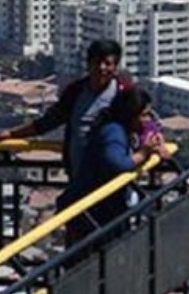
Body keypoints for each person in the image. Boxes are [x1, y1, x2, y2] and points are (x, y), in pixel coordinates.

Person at [0, 40, 133, 177]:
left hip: (113, 176)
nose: (102, 68)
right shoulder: (76, 92)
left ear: (115, 67)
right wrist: (13, 134)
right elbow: (49, 121)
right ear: (88, 64)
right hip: (79, 173)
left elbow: (143, 120)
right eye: (97, 62)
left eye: (108, 64)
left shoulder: (124, 93)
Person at [58, 89, 169, 242]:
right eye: (143, 115)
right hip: (91, 208)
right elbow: (119, 164)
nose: (147, 119)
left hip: (107, 207)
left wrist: (157, 142)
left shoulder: (127, 129)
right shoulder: (113, 132)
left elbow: (150, 129)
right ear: (131, 115)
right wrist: (143, 153)